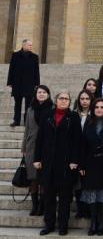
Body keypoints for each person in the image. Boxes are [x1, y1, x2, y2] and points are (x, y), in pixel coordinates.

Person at [34, 91, 82, 236]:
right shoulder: (47, 115)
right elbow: (40, 138)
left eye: (66, 99)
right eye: (61, 98)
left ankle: (63, 225)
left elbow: (77, 141)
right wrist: (37, 159)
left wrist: (74, 160)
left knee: (65, 199)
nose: (63, 101)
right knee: (48, 197)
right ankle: (49, 225)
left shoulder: (73, 117)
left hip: (66, 165)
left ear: (69, 102)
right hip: (48, 164)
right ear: (56, 100)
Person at [79, 98, 103, 236]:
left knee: (102, 193)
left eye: (102, 107)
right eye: (97, 107)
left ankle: (102, 222)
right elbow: (83, 146)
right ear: (93, 109)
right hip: (90, 163)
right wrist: (82, 165)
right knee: (91, 193)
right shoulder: (88, 123)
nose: (99, 109)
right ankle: (93, 221)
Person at [21, 85, 53, 216]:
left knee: (44, 178)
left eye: (44, 92)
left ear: (48, 95)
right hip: (31, 147)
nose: (41, 94)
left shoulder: (53, 108)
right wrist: (23, 148)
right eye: (39, 92)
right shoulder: (30, 110)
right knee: (33, 178)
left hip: (47, 147)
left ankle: (43, 205)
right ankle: (35, 205)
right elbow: (27, 129)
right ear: (35, 94)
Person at [7, 39, 40, 127]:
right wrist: (10, 82)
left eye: (31, 45)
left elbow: (36, 71)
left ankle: (27, 121)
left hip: (30, 83)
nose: (31, 46)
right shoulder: (15, 55)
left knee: (28, 104)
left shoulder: (34, 57)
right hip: (17, 83)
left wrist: (37, 84)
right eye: (29, 45)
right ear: (24, 45)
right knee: (17, 103)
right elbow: (11, 69)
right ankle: (16, 120)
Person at [73, 90, 94, 219]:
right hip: (76, 152)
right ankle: (80, 209)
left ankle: (89, 210)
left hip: (89, 154)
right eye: (82, 98)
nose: (84, 101)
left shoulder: (95, 115)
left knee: (88, 184)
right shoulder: (74, 115)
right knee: (77, 184)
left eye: (87, 98)